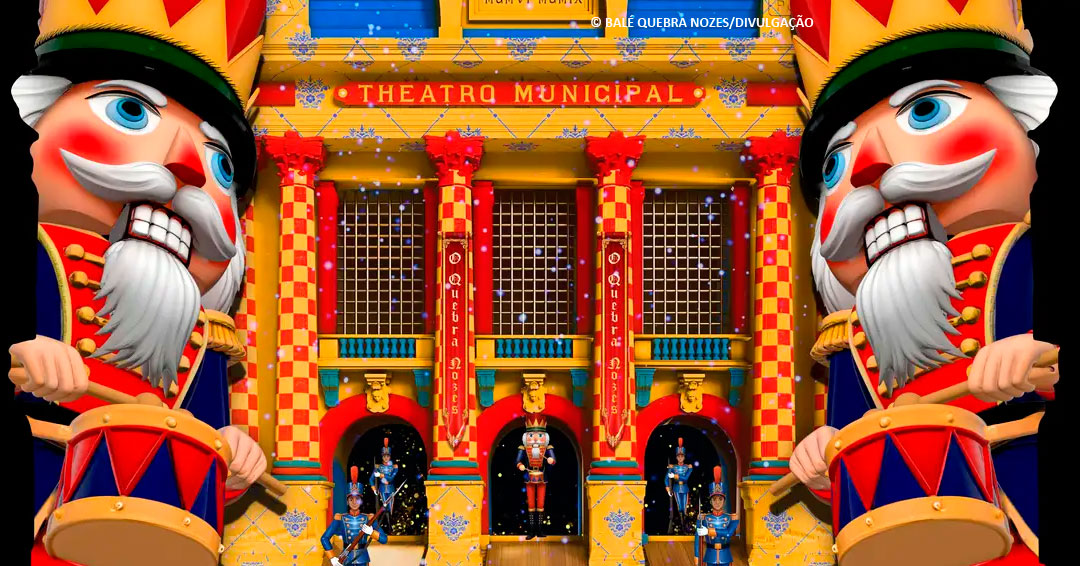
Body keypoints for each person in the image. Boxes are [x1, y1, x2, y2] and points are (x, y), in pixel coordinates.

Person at [788, 1, 1058, 563]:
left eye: (925, 110)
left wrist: (1043, 352)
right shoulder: (849, 337)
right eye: (836, 163)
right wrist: (822, 459)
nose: (868, 167)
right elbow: (855, 444)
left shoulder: (1025, 255)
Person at [8, 1, 268, 561]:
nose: (188, 168)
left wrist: (231, 456)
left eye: (220, 162)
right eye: (131, 111)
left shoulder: (205, 336)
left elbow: (198, 447)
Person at [323, 466, 388, 566]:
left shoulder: (369, 518)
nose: (354, 502)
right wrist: (332, 557)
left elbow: (384, 539)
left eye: (357, 499)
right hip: (345, 557)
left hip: (362, 558)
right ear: (347, 501)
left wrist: (371, 532)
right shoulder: (340, 518)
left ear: (361, 501)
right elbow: (324, 538)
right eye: (351, 499)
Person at [515, 414, 555, 540]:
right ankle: (531, 531)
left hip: (542, 477)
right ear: (527, 437)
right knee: (531, 504)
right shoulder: (523, 448)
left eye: (539, 435)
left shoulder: (548, 447)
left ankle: (540, 530)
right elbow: (517, 461)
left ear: (544, 437)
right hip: (529, 477)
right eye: (532, 435)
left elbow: (554, 460)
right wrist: (520, 465)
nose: (536, 438)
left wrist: (551, 460)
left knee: (541, 504)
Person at [694, 466, 738, 566]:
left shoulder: (732, 518)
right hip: (710, 556)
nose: (717, 502)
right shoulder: (703, 518)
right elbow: (697, 539)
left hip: (725, 556)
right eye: (714, 499)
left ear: (724, 501)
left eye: (720, 499)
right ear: (710, 501)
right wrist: (696, 556)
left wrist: (708, 531)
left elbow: (728, 533)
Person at [664, 438, 693, 534]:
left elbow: (685, 478)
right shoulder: (673, 467)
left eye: (682, 456)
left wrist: (675, 476)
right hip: (676, 488)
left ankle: (684, 526)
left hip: (684, 488)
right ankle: (679, 526)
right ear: (676, 457)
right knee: (679, 509)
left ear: (684, 457)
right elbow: (666, 478)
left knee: (684, 509)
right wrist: (668, 488)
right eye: (678, 456)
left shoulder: (688, 467)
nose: (680, 458)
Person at [369, 438, 399, 529]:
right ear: (382, 456)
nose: (386, 458)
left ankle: (390, 526)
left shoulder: (394, 467)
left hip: (391, 489)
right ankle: (387, 526)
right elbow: (371, 479)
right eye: (384, 456)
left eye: (388, 456)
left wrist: (381, 475)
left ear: (390, 456)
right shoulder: (378, 467)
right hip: (382, 489)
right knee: (384, 508)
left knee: (390, 508)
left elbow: (390, 478)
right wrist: (374, 488)